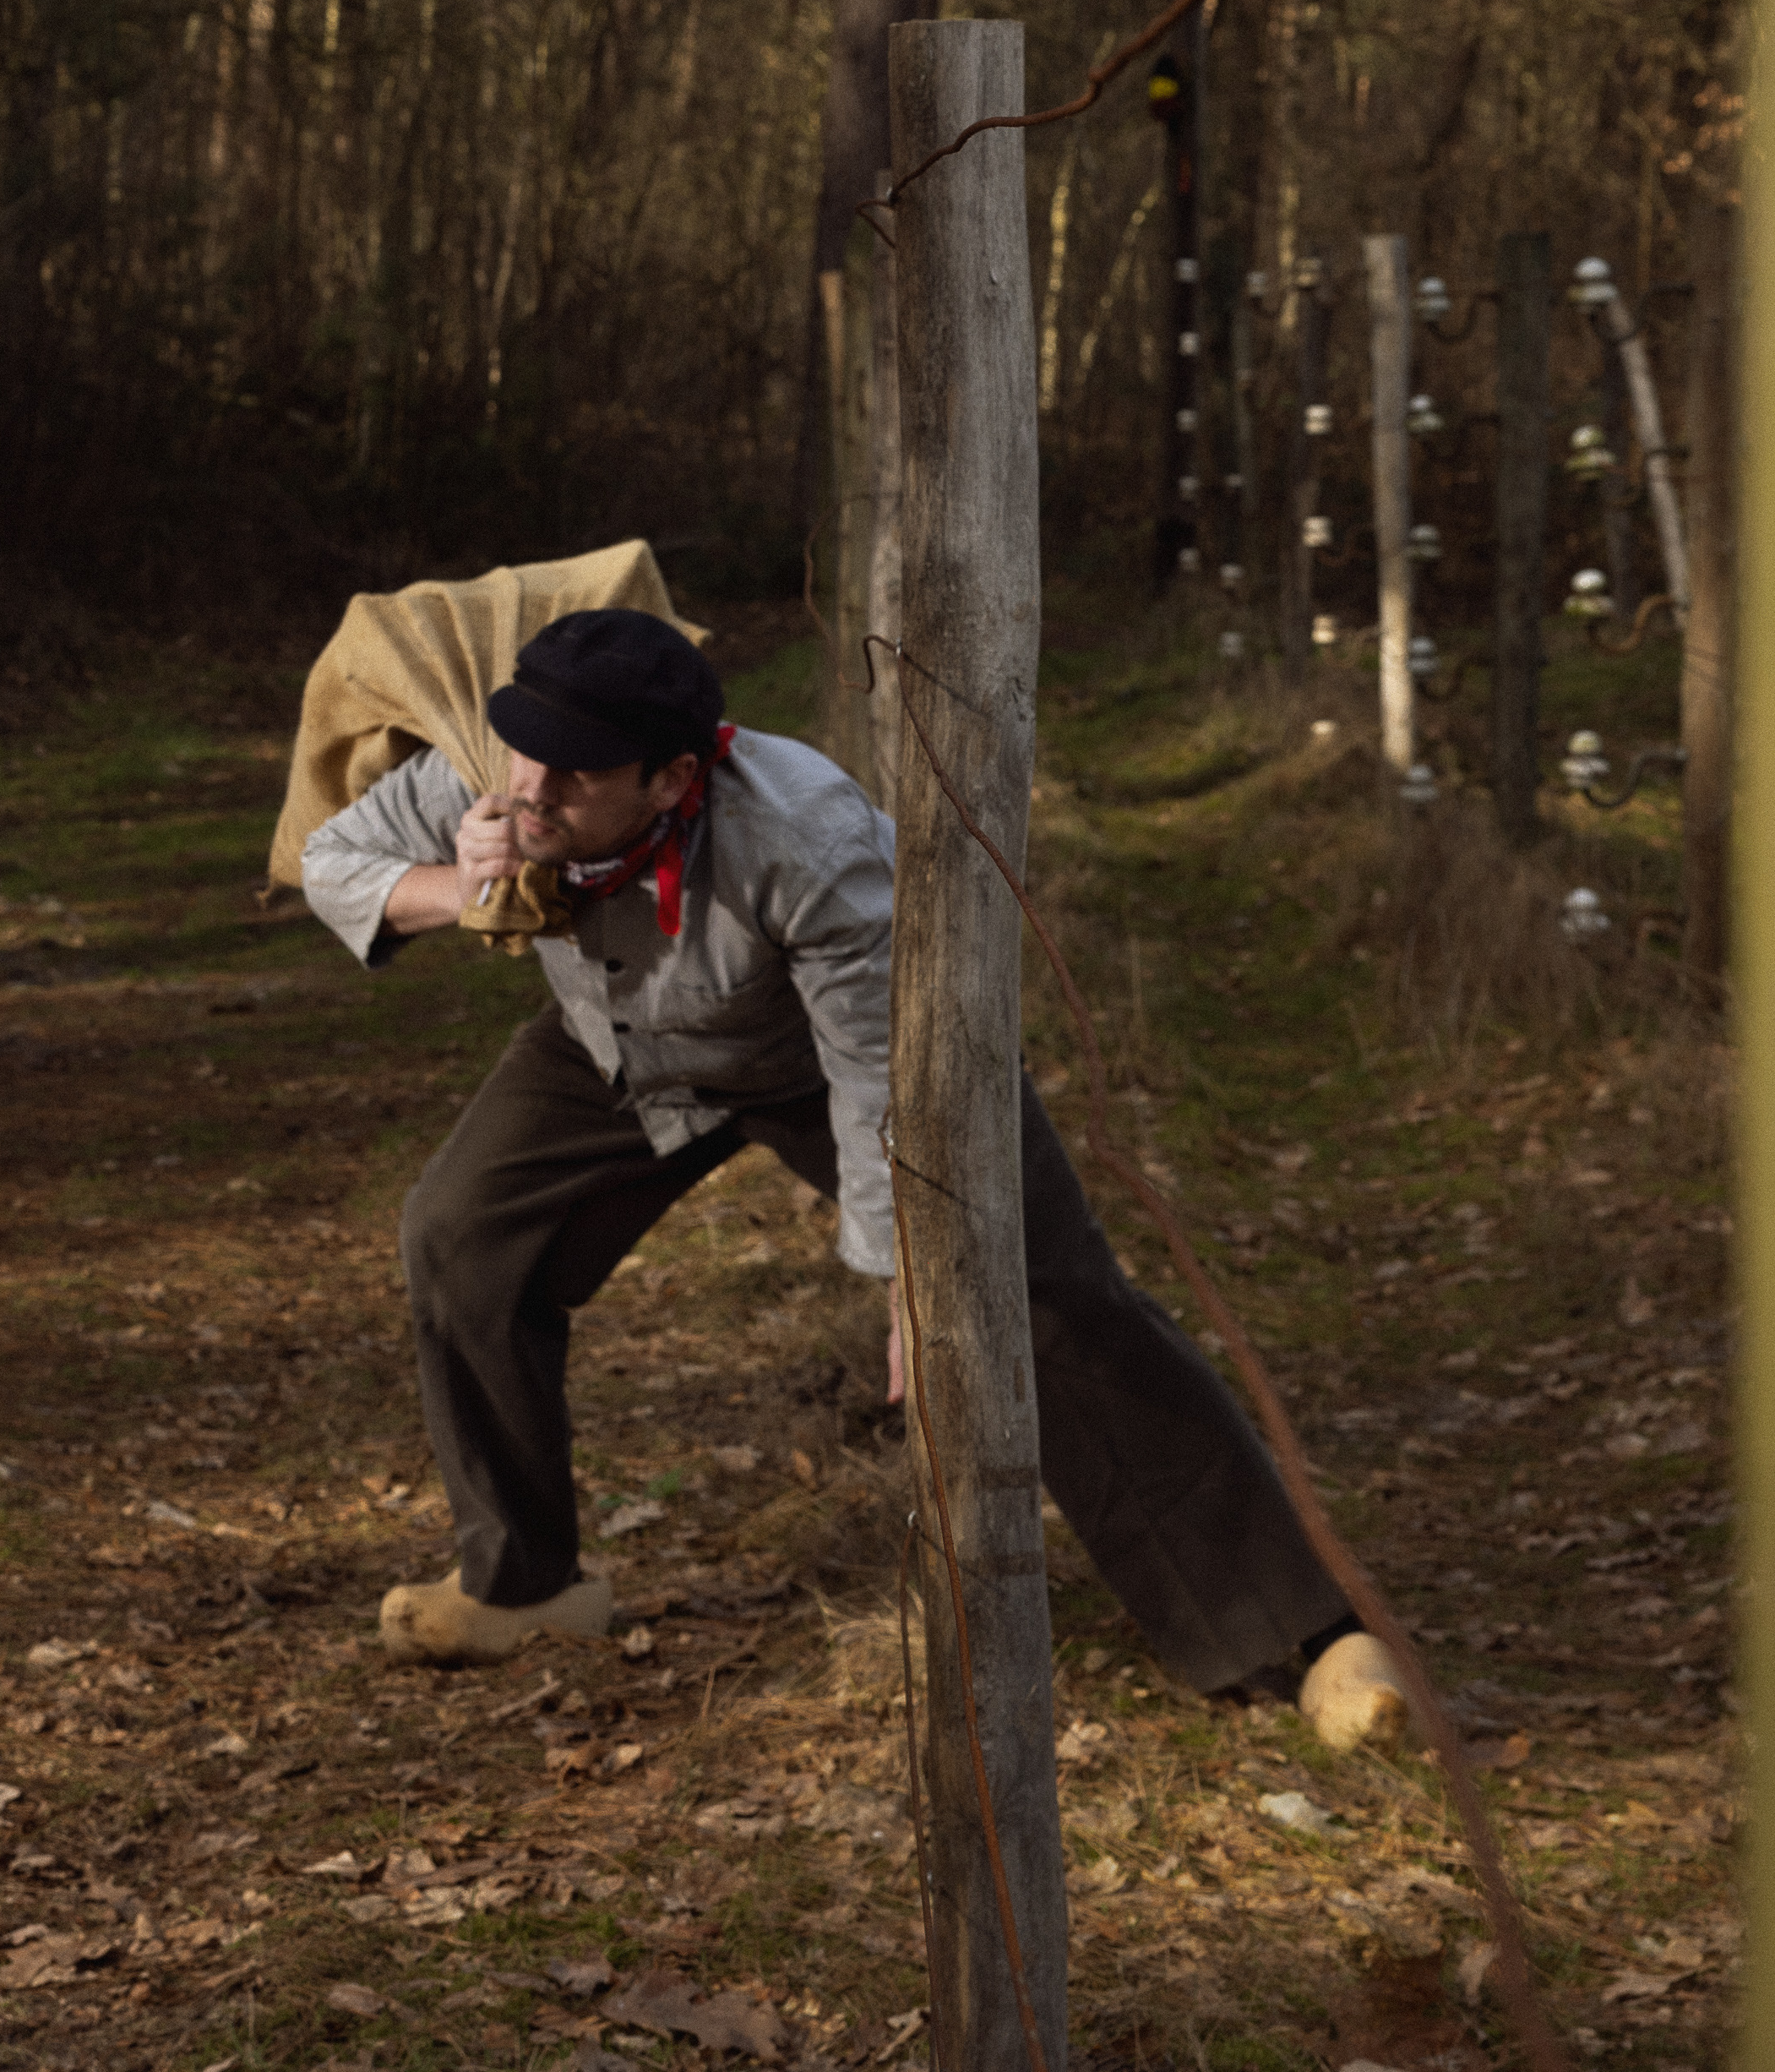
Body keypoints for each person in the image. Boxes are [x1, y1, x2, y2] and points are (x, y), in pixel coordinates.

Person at [302, 607, 1404, 1742]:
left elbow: (885, 1077)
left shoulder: (809, 840)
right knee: (460, 1233)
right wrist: (460, 885)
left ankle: (1297, 1634)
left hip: (852, 1056)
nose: (534, 787)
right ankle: (523, 1585)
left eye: (578, 774)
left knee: (1037, 1294)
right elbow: (332, 857)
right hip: (625, 1045)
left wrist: (910, 1278)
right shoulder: (511, 775)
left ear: (675, 776)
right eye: (525, 748)